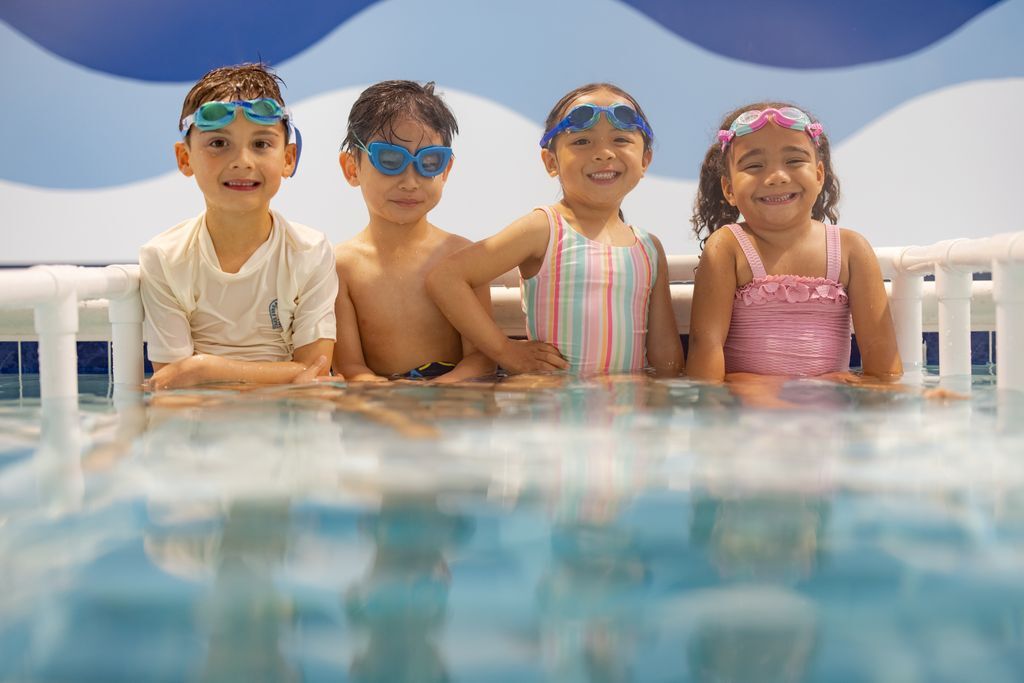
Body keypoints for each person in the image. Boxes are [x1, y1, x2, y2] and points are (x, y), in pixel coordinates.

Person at [427, 83, 683, 377]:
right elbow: (446, 278)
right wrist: (505, 351)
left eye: (620, 139)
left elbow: (666, 354)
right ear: (551, 162)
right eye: (583, 142)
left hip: (624, 412)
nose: (603, 153)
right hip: (555, 411)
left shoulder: (649, 248)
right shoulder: (545, 228)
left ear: (645, 161)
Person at [140, 63, 337, 389]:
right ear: (184, 158)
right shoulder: (165, 258)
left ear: (288, 158)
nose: (242, 161)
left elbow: (315, 372)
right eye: (218, 143)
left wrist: (203, 369)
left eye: (261, 144)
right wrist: (282, 374)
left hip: (286, 424)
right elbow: (173, 386)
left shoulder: (309, 252)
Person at [687, 102, 902, 382]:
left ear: (819, 175)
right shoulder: (728, 248)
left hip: (828, 417)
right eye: (754, 165)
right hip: (750, 414)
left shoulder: (851, 250)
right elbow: (705, 353)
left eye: (794, 161)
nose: (777, 177)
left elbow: (884, 366)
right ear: (729, 189)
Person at [333, 81, 494, 382]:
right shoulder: (341, 266)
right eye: (390, 160)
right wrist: (398, 409)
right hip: (380, 406)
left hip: (451, 403)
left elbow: (481, 360)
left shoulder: (464, 257)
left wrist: (435, 396)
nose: (410, 181)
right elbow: (350, 369)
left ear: (446, 171)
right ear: (351, 168)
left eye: (429, 162)